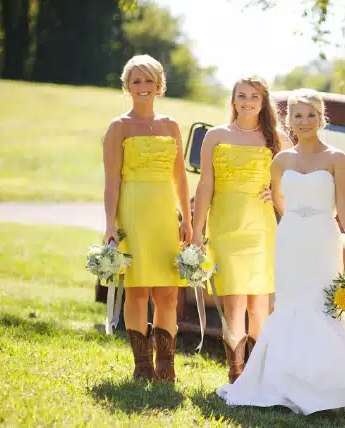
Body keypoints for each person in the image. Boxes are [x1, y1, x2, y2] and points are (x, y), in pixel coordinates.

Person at [216, 89, 345, 418]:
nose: (305, 121)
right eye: (298, 115)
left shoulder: (336, 158)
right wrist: (291, 220)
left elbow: (344, 205)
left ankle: (329, 388)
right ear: (289, 121)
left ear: (321, 118)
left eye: (311, 114)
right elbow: (280, 203)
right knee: (289, 307)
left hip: (323, 238)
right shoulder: (281, 160)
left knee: (324, 307)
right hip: (290, 240)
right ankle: (285, 384)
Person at [191, 75, 289, 382]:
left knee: (259, 304)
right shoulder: (216, 136)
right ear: (233, 100)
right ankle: (237, 376)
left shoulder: (276, 139)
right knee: (233, 301)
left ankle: (259, 377)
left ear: (264, 103)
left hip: (261, 227)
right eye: (241, 96)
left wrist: (279, 194)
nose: (247, 102)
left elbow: (294, 179)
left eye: (254, 97)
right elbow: (206, 183)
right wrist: (197, 229)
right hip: (225, 225)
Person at [102, 54, 192, 383]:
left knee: (168, 292)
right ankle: (143, 367)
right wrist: (111, 224)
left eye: (148, 80)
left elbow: (180, 177)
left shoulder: (170, 126)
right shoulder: (118, 127)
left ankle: (166, 367)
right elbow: (112, 180)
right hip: (133, 212)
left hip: (166, 215)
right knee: (138, 290)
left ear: (159, 85)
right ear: (127, 86)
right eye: (136, 81)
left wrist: (187, 219)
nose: (142, 86)